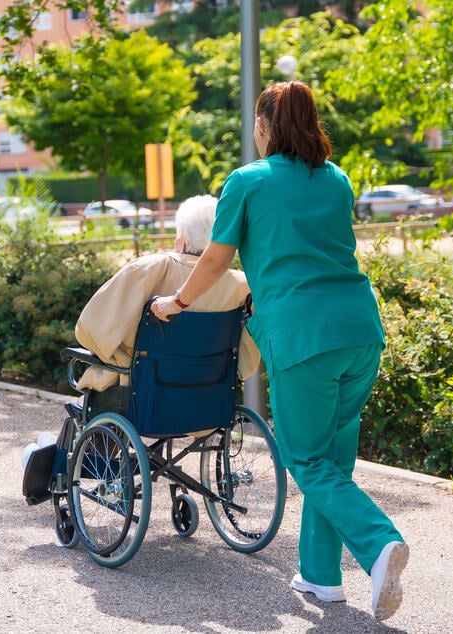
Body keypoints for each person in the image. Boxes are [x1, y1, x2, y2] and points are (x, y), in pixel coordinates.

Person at [150, 82, 409, 622]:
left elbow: (217, 259)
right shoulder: (336, 180)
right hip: (360, 330)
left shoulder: (246, 182)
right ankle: (320, 576)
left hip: (303, 337)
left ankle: (379, 542)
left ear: (264, 126)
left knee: (306, 457)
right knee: (331, 458)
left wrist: (176, 301)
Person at [74, 194, 260, 394]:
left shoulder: (150, 269)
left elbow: (90, 330)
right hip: (208, 397)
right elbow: (246, 363)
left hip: (144, 397)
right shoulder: (243, 285)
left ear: (180, 240)